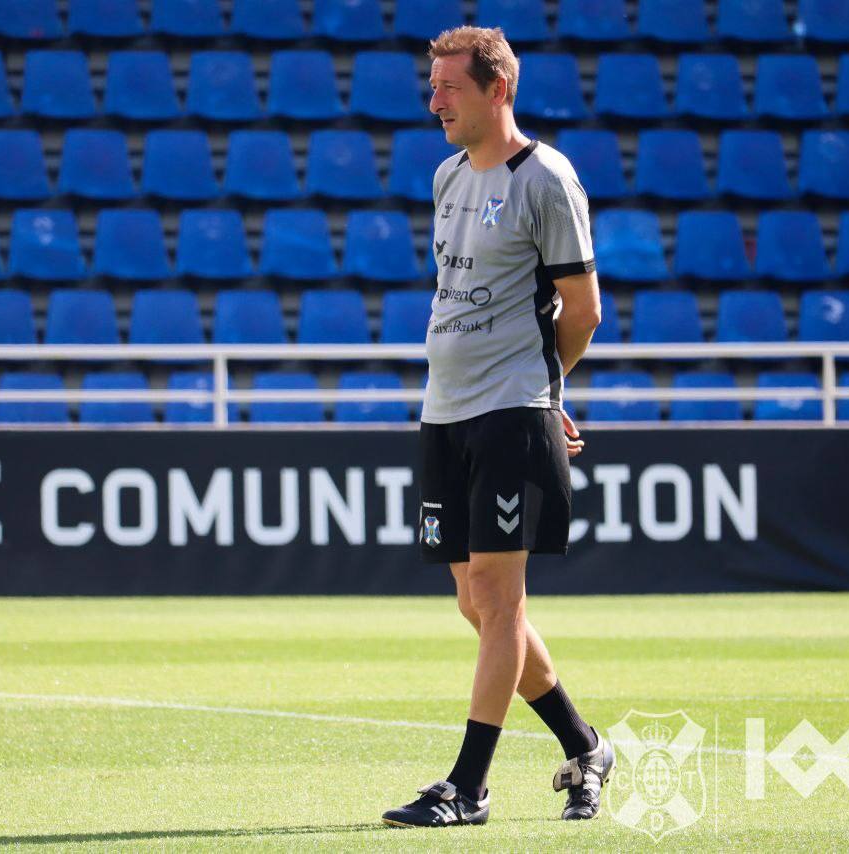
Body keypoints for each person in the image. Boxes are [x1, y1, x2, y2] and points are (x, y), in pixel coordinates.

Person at [381, 26, 612, 829]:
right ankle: (584, 745)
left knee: (499, 601)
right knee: (475, 606)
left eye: (450, 85)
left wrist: (545, 391)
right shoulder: (446, 176)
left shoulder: (546, 178)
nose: (434, 98)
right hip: (445, 411)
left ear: (496, 90)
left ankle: (469, 787)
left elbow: (581, 310)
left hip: (510, 412)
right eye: (432, 84)